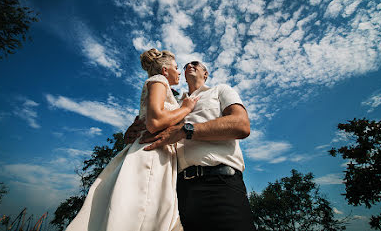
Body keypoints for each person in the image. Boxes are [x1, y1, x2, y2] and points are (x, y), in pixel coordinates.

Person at [66, 49, 199, 231]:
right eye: (176, 68)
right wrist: (186, 109)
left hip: (161, 157)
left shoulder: (166, 88)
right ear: (165, 71)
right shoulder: (158, 81)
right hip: (150, 155)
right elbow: (155, 122)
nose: (179, 73)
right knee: (142, 213)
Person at [125, 60, 256, 231]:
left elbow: (241, 125)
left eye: (195, 64)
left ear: (205, 74)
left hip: (219, 184)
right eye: (186, 65)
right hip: (178, 194)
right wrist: (133, 131)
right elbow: (154, 125)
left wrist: (185, 130)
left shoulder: (220, 91)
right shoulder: (174, 105)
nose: (189, 66)